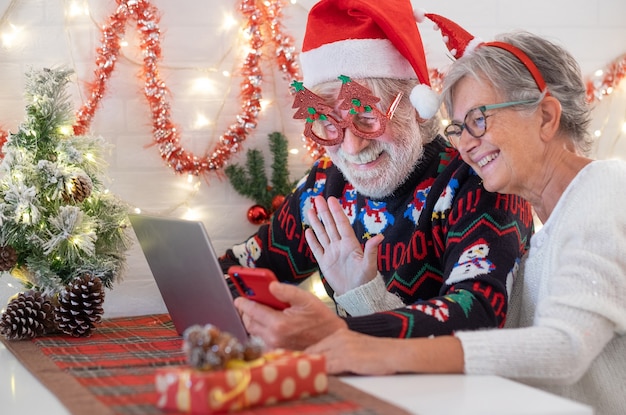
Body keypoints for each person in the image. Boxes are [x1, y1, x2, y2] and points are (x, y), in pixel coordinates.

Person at [305, 26, 626, 415]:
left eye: (478, 120)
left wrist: (366, 343)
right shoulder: (548, 233)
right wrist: (363, 295)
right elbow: (502, 360)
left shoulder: (607, 190)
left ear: (545, 116)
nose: (465, 144)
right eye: (457, 129)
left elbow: (564, 349)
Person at [219, 0, 534, 350]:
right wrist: (261, 318)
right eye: (329, 124)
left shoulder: (480, 182)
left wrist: (357, 304)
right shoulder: (324, 186)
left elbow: (477, 321)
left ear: (416, 109)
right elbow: (236, 270)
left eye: (368, 118)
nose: (351, 148)